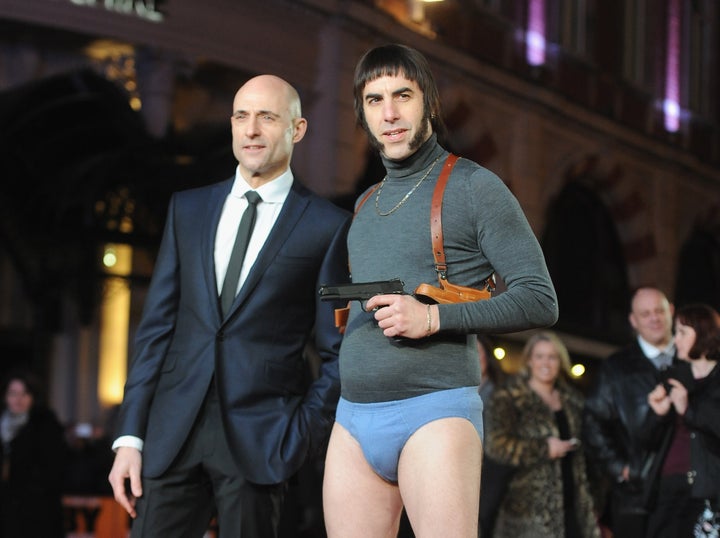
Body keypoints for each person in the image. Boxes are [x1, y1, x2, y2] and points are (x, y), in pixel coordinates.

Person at [322, 43, 558, 538]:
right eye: (374, 99)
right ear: (362, 114)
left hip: (434, 409)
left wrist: (433, 318)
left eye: (402, 95)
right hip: (353, 418)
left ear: (428, 100)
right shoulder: (365, 204)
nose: (389, 113)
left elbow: (540, 297)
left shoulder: (474, 186)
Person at [107, 74, 351, 538]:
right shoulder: (189, 209)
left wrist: (298, 435)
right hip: (171, 436)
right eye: (241, 116)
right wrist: (129, 437)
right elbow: (155, 331)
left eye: (266, 117)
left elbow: (338, 352)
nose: (251, 130)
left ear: (296, 130)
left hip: (262, 444)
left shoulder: (327, 226)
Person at [484, 332, 599, 538]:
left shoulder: (573, 400)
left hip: (573, 507)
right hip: (526, 512)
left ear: (560, 361)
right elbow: (496, 445)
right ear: (529, 360)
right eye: (539, 356)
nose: (546, 363)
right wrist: (544, 448)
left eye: (552, 357)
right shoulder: (509, 397)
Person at [583, 287, 677, 538]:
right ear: (633, 321)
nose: (654, 318)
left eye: (659, 311)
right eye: (645, 314)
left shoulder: (692, 359)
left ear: (672, 313)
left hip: (689, 491)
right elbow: (593, 425)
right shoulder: (615, 368)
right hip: (637, 496)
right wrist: (620, 469)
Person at [642, 304, 720, 537]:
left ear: (704, 333)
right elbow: (645, 440)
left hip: (708, 493)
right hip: (668, 490)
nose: (676, 340)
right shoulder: (674, 377)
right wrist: (658, 413)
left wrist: (688, 410)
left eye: (682, 332)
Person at [0, 369, 66, 538]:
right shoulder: (3, 423)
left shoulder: (45, 424)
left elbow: (54, 467)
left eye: (24, 393)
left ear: (33, 396)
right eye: (13, 393)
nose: (18, 399)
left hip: (37, 509)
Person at [477, 335, 513, 538]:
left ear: (487, 357)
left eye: (479, 352)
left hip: (491, 471)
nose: (474, 357)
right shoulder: (454, 392)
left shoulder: (502, 393)